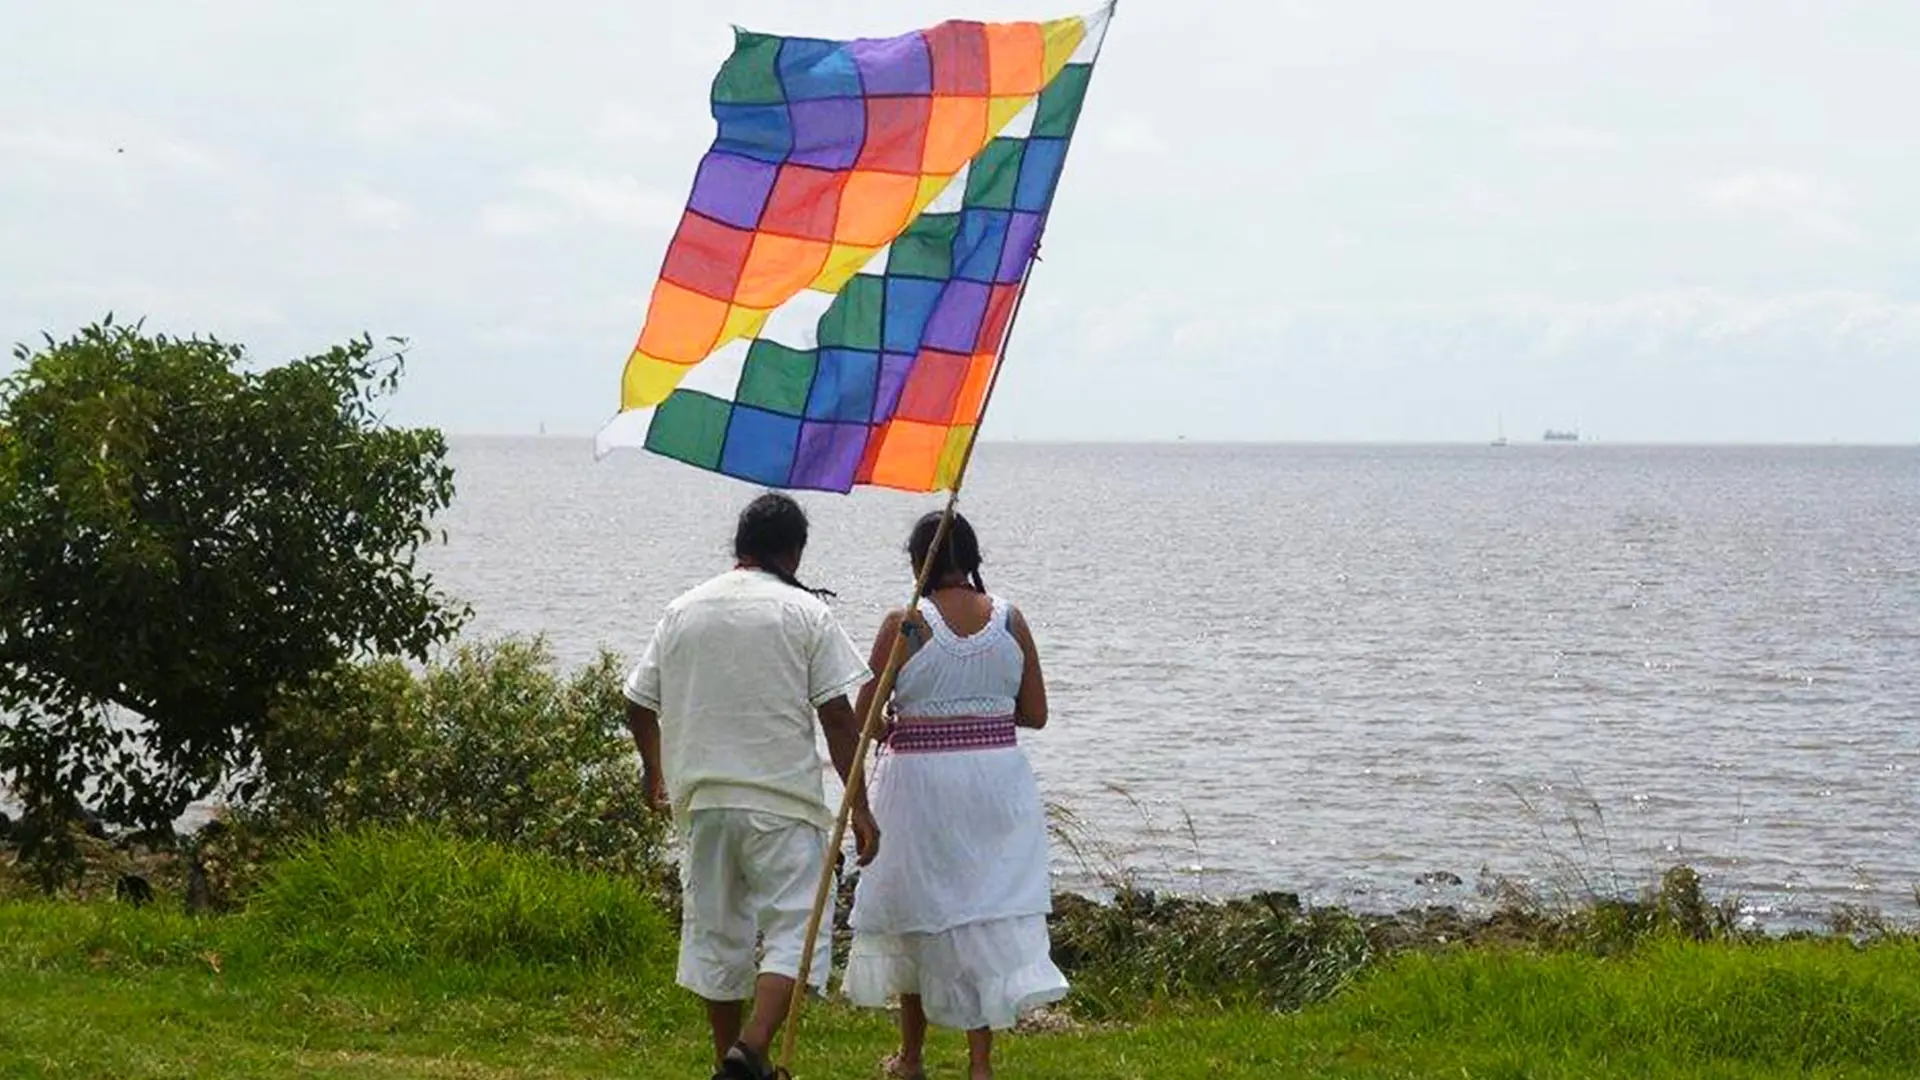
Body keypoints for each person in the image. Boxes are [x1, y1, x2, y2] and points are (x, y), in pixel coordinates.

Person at [624, 492, 880, 1080]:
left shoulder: (683, 609)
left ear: (739, 546)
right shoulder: (804, 613)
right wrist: (860, 806)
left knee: (717, 936)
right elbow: (838, 719)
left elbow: (638, 702)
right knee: (797, 928)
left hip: (704, 801)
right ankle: (754, 1046)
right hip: (782, 802)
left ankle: (727, 1063)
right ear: (794, 552)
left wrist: (654, 769)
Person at [843, 510, 1066, 1080]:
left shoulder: (907, 625)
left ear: (919, 561)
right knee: (980, 913)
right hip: (995, 782)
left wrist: (902, 723)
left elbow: (861, 719)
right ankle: (980, 1064)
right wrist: (983, 712)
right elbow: (1035, 714)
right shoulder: (1011, 621)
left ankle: (912, 1057)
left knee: (918, 910)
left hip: (920, 784)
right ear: (971, 561)